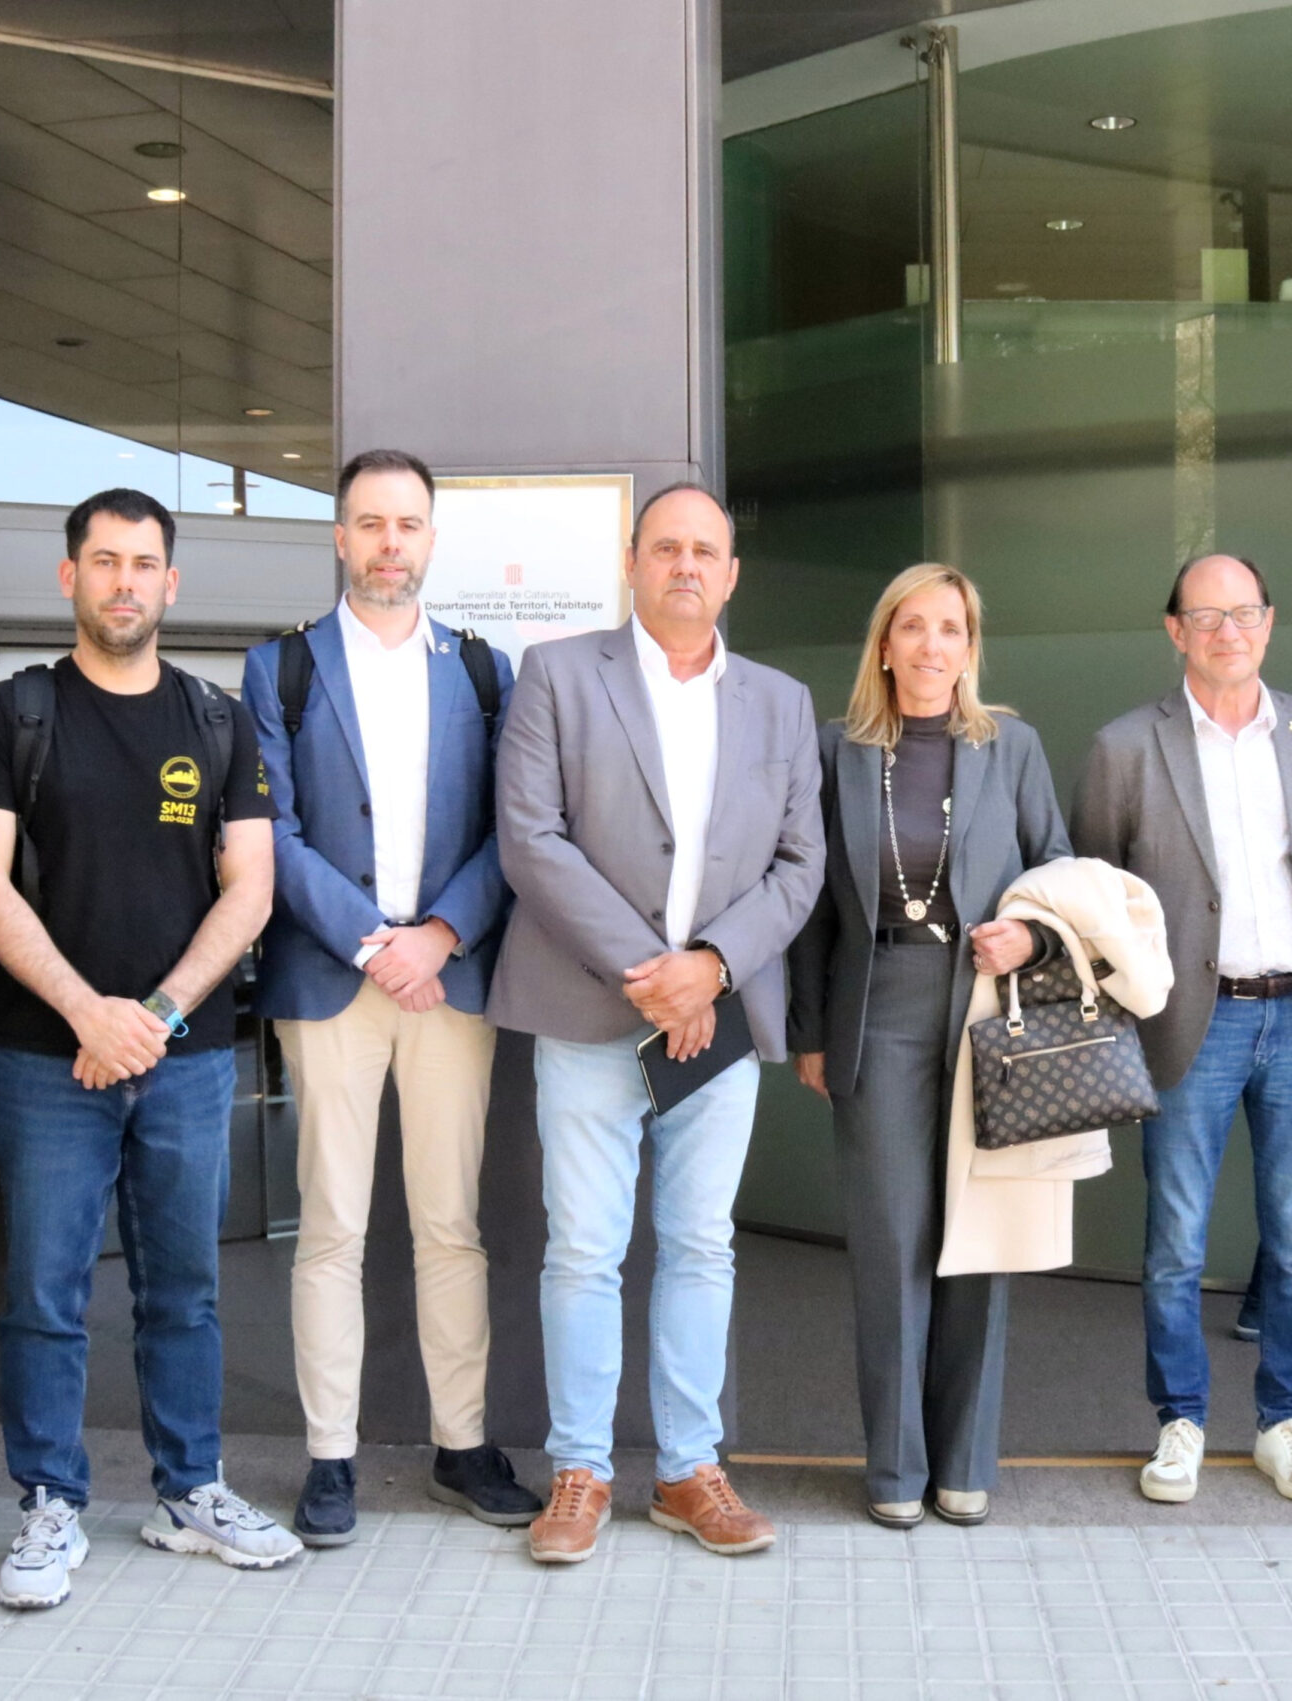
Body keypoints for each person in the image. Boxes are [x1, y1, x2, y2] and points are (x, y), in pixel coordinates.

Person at [0, 488, 297, 1610]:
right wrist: (88, 1015)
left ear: (171, 584)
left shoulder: (217, 719)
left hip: (185, 1062)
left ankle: (189, 1490)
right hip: (44, 1061)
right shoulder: (14, 715)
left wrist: (154, 1014)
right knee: (44, 1292)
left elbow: (250, 888)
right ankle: (50, 1503)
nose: (124, 582)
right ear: (70, 577)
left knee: (185, 1290)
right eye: (104, 561)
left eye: (143, 564)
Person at [489, 482, 823, 1564]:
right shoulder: (556, 674)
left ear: (730, 575)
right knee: (584, 1249)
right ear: (631, 563)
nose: (686, 565)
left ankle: (687, 1471)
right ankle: (580, 1470)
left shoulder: (779, 701)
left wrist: (710, 970)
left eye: (705, 551)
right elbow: (530, 838)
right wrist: (654, 976)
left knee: (700, 1246)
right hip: (590, 1007)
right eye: (667, 547)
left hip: (718, 1019)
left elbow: (801, 862)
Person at [240, 448, 537, 1546]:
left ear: (431, 540)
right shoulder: (280, 670)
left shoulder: (483, 671)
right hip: (333, 977)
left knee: (450, 1224)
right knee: (331, 1226)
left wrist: (440, 935)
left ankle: (462, 1445)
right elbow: (271, 833)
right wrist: (376, 944)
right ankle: (330, 1458)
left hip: (448, 979)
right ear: (340, 537)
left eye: (407, 524)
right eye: (369, 523)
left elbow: (513, 831)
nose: (388, 543)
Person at [785, 564, 1070, 1529]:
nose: (931, 645)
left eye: (950, 628)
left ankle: (964, 1460)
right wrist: (812, 1031)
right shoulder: (838, 750)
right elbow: (813, 905)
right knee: (891, 1242)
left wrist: (1029, 936)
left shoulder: (1011, 746)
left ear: (970, 647)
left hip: (986, 1007)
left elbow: (1057, 870)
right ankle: (896, 1469)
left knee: (978, 1240)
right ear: (884, 644)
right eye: (913, 626)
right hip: (879, 1010)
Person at [1072, 552, 1292, 1507]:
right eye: (1206, 615)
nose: (1227, 630)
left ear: (1268, 622)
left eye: (1244, 613)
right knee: (1176, 1243)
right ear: (1175, 630)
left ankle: (1286, 1422)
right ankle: (1181, 1420)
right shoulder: (1125, 747)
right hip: (1192, 1019)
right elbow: (1096, 890)